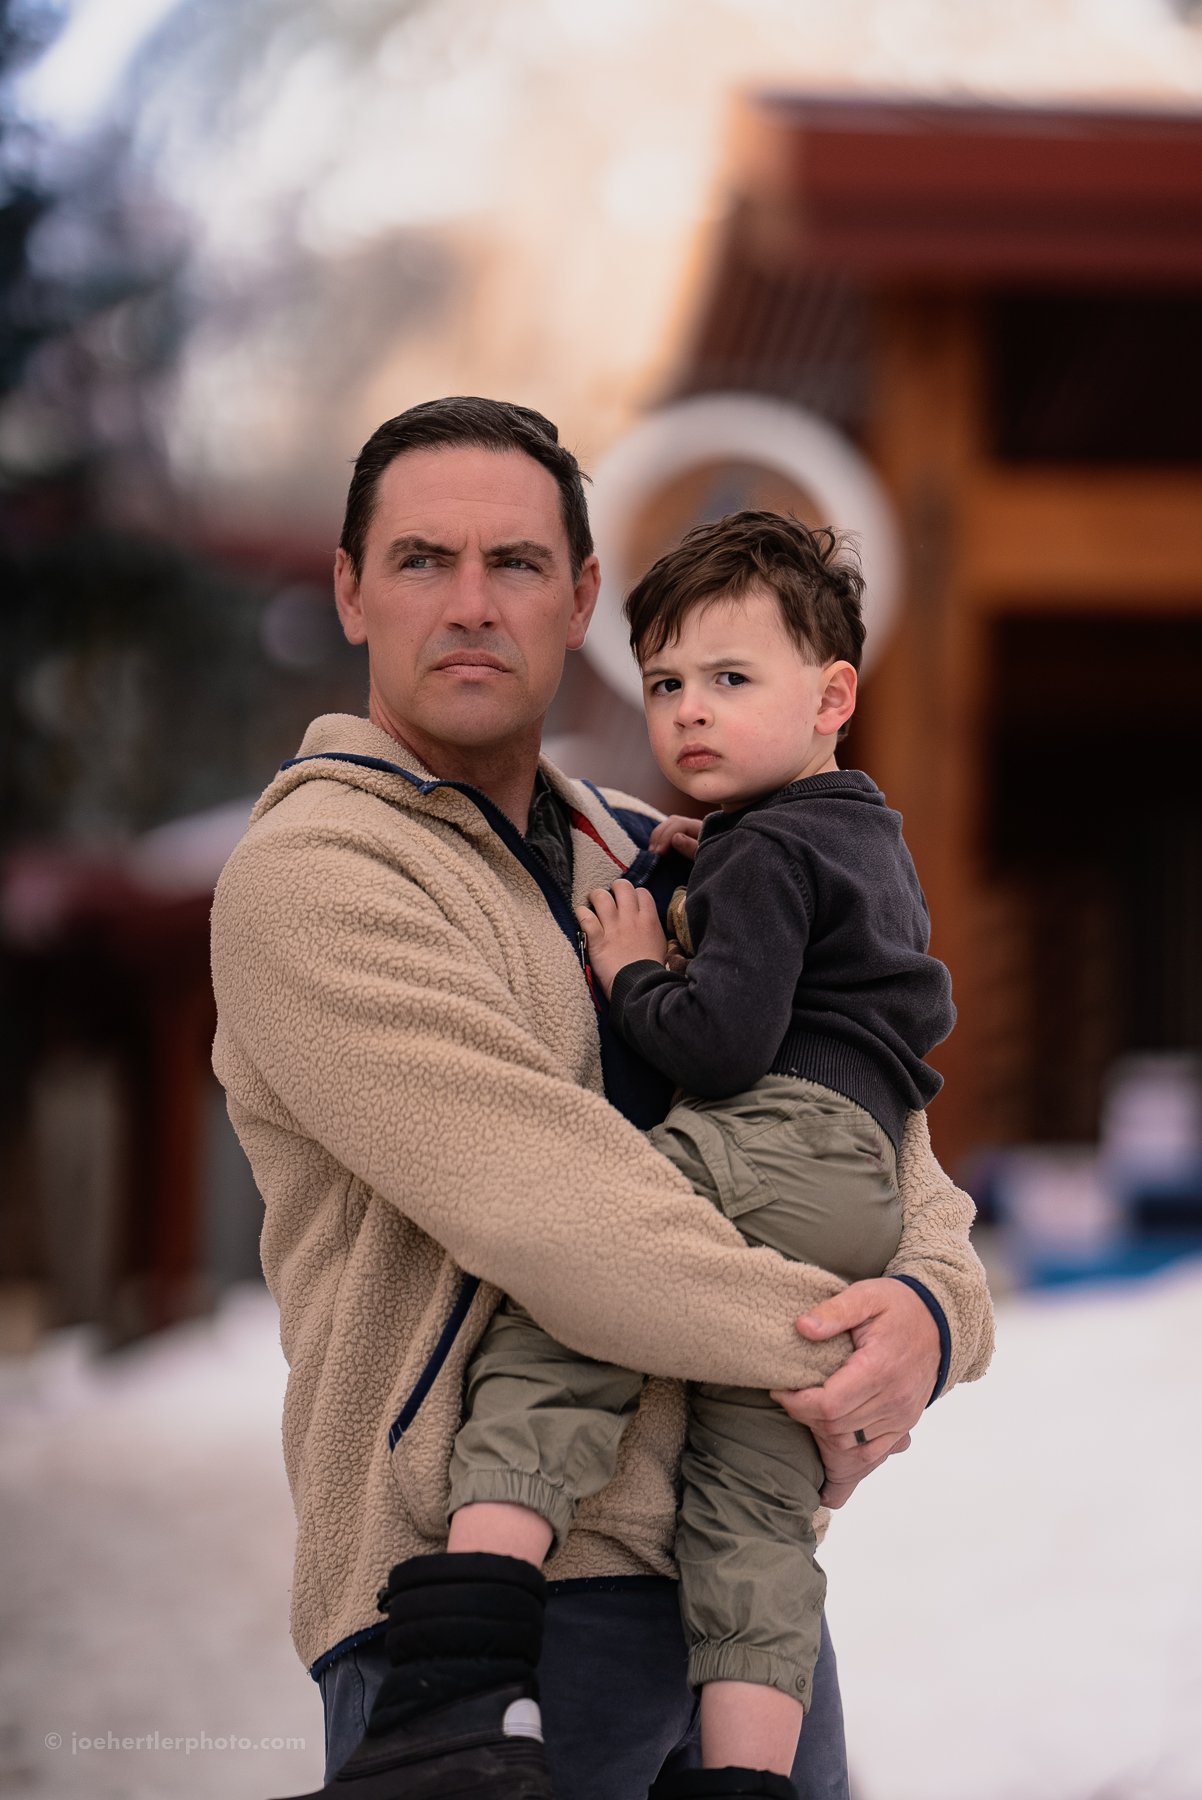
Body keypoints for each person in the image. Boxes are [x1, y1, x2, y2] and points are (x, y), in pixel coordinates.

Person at [208, 397, 994, 1800]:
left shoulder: (670, 861)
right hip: (478, 1611)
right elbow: (554, 1210)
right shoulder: (319, 875)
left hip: (735, 1590)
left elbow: (878, 1138)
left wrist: (935, 1315)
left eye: (512, 564)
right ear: (347, 590)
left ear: (579, 598)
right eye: (418, 560)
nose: (467, 605)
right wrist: (844, 1356)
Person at [446, 511, 958, 1799]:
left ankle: (471, 1631)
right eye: (667, 684)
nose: (689, 714)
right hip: (854, 1184)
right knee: (754, 1498)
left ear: (833, 694)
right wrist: (706, 855)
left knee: (575, 1294)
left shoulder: (770, 851)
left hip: (765, 1137)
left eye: (732, 681)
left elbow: (723, 1041)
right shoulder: (853, 833)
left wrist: (632, 968)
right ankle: (747, 1776)